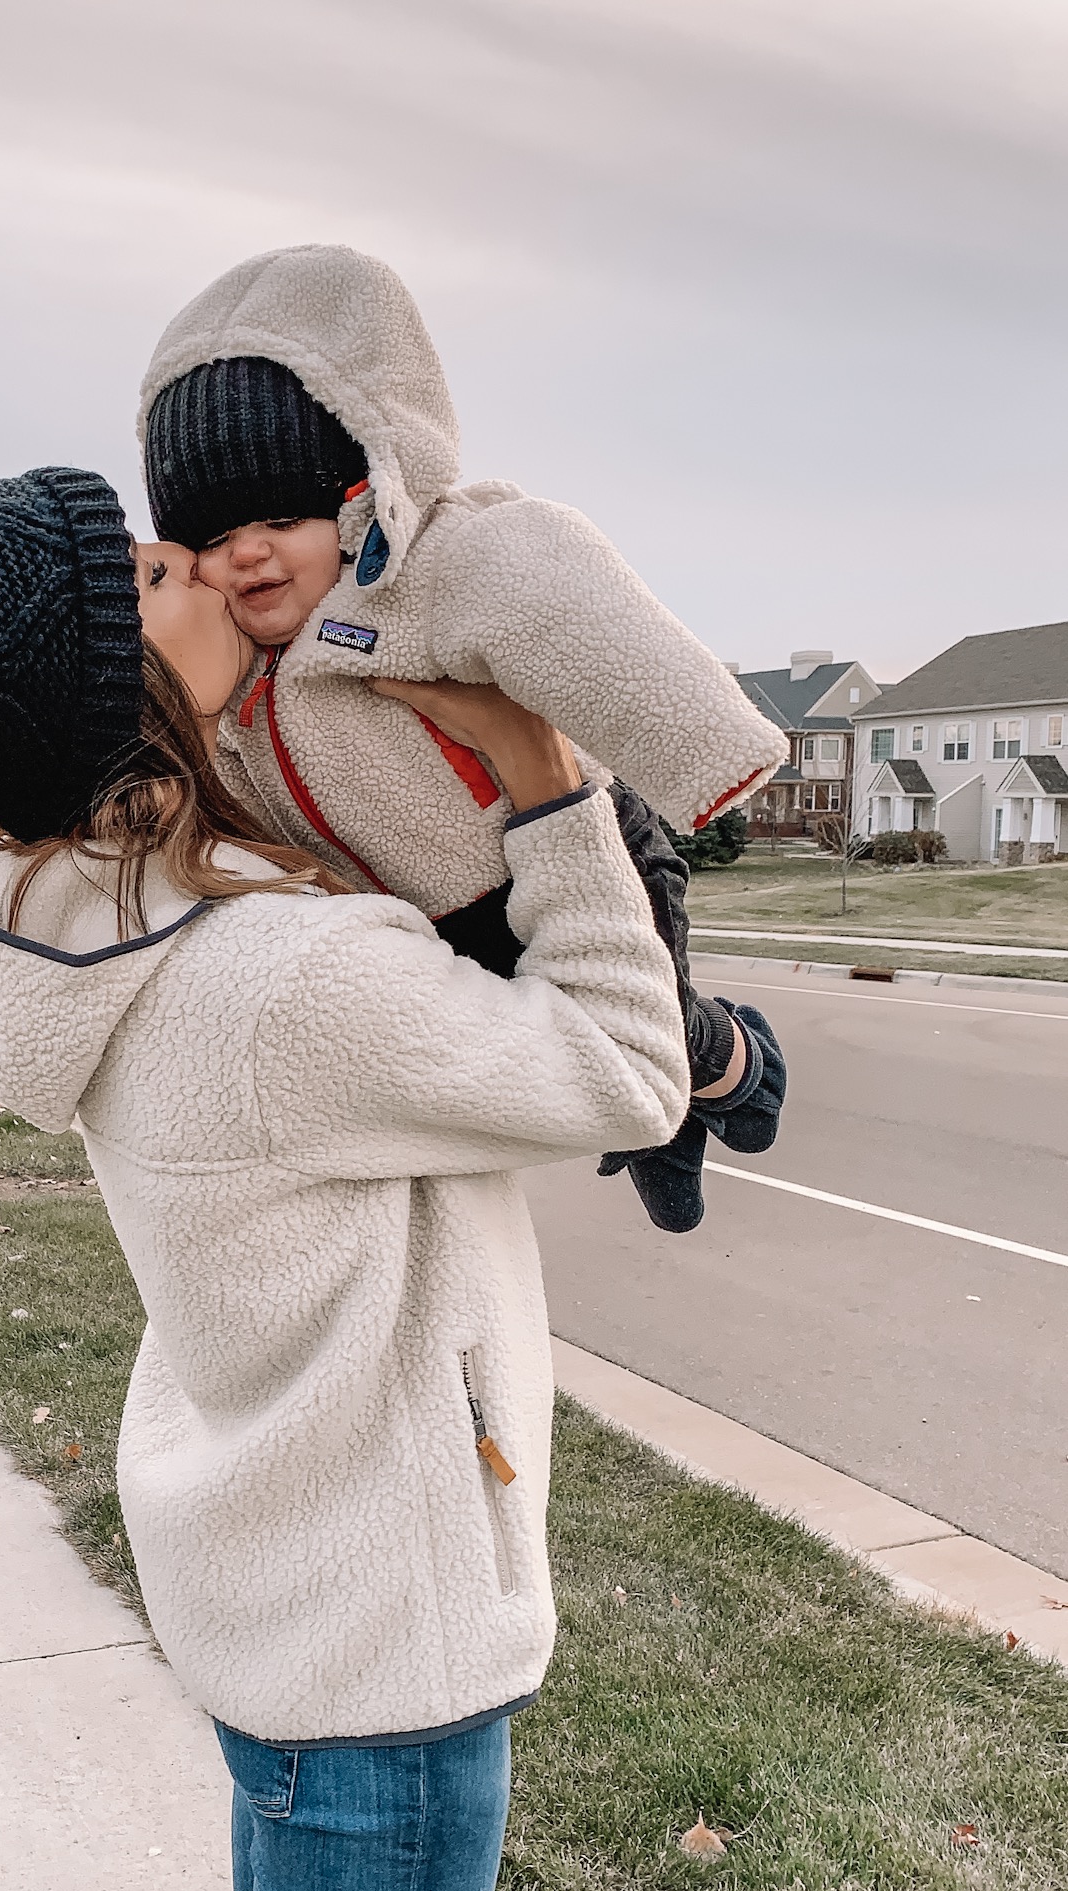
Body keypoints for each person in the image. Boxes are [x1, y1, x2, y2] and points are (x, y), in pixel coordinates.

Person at [0, 468, 690, 1891]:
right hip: (382, 1647)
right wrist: (540, 774)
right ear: (123, 701)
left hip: (283, 1588)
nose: (205, 568)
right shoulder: (275, 983)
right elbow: (628, 1068)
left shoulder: (39, 914)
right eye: (154, 579)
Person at [139, 243, 788, 1229]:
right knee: (559, 1065)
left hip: (583, 849)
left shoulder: (429, 570)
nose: (250, 551)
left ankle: (739, 1065)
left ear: (360, 492)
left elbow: (557, 590)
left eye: (281, 515)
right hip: (438, 917)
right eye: (217, 539)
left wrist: (702, 744)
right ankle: (661, 1121)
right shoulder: (234, 671)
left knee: (656, 1032)